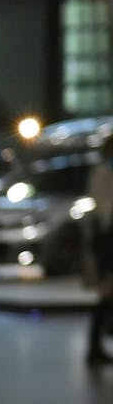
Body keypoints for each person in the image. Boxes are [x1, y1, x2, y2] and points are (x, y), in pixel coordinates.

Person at [86, 152, 113, 364]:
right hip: (108, 238)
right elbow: (104, 209)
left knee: (106, 294)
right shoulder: (103, 173)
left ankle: (96, 344)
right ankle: (95, 345)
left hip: (106, 236)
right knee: (106, 291)